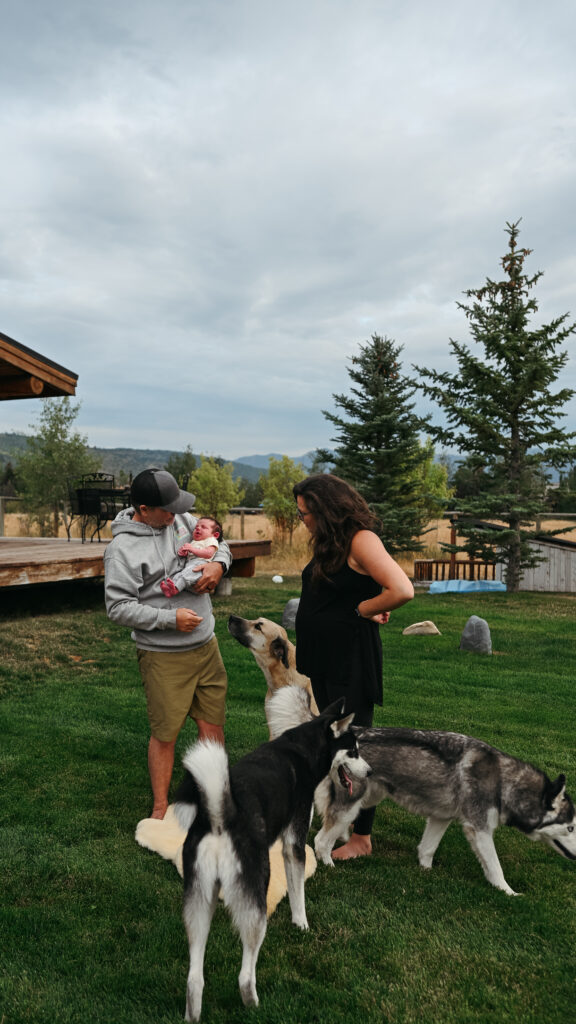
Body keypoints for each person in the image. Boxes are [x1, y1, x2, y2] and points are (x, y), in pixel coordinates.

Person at [293, 473, 414, 860]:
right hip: (324, 658)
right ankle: (336, 818)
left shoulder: (362, 540)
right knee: (333, 742)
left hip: (349, 661)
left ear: (326, 509)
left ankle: (361, 838)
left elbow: (401, 589)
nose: (303, 521)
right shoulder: (331, 543)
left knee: (357, 746)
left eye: (306, 513)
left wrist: (364, 610)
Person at [103, 468, 232, 820]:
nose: (177, 515)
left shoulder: (183, 519)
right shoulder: (122, 550)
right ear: (144, 509)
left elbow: (218, 544)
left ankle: (216, 797)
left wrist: (219, 566)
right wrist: (169, 620)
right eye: (167, 509)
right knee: (165, 733)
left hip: (207, 646)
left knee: (212, 724)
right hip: (163, 656)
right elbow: (117, 608)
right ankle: (160, 807)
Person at [160, 515, 222, 597]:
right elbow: (191, 554)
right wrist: (184, 553)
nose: (198, 528)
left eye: (203, 527)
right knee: (180, 575)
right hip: (190, 564)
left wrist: (192, 549)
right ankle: (170, 587)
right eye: (196, 527)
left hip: (200, 565)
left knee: (186, 576)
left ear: (215, 535)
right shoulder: (195, 542)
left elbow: (208, 553)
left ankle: (175, 589)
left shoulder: (211, 540)